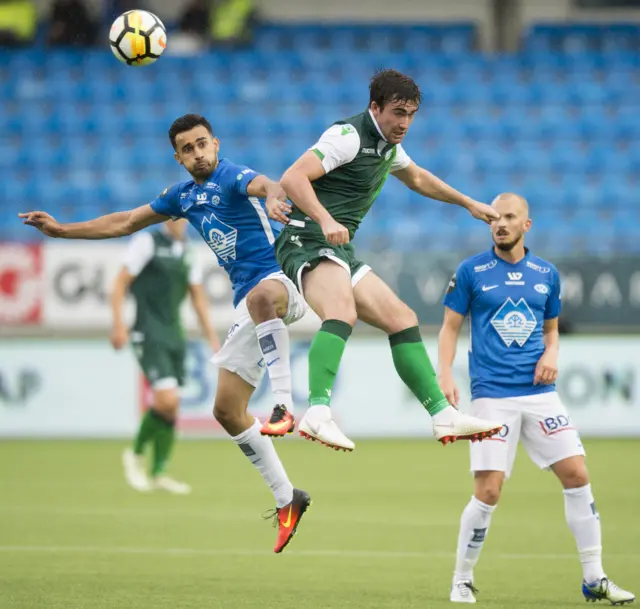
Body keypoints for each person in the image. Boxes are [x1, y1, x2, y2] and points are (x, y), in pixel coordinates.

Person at [19, 114, 310, 554]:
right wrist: (61, 230)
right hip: (248, 304)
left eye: (202, 144)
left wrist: (272, 195)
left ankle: (285, 405)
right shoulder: (182, 197)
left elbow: (266, 183)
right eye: (188, 149)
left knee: (260, 298)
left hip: (283, 281)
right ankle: (288, 498)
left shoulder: (232, 176)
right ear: (178, 157)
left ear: (215, 142)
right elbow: (124, 222)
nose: (198, 153)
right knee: (227, 411)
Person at [268, 69, 503, 452]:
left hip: (336, 246)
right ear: (375, 107)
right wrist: (326, 220)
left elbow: (419, 179)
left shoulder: (388, 145)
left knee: (402, 319)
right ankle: (317, 412)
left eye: (410, 114)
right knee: (341, 313)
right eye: (397, 112)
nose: (404, 122)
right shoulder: (347, 136)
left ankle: (443, 415)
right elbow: (294, 178)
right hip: (306, 237)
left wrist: (469, 204)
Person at [437, 193, 634, 604]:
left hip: (541, 395)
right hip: (492, 395)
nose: (500, 224)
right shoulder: (471, 271)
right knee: (488, 491)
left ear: (527, 225)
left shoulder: (546, 273)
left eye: (509, 217)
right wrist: (443, 373)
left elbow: (551, 330)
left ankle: (594, 577)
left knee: (577, 475)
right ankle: (461, 578)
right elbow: (450, 328)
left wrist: (552, 354)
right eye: (494, 218)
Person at [111, 217, 220, 495]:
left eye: (183, 215)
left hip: (175, 334)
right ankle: (134, 454)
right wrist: (118, 324)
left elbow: (197, 297)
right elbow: (121, 283)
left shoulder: (188, 250)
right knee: (166, 399)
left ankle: (159, 472)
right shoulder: (146, 242)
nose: (179, 220)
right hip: (148, 333)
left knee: (172, 405)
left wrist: (212, 337)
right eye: (174, 214)